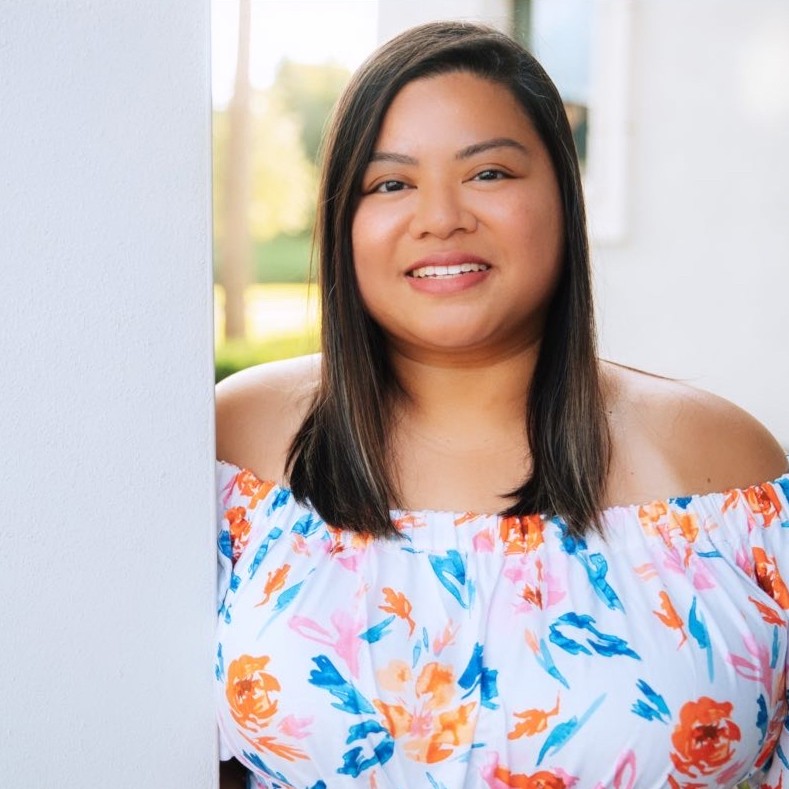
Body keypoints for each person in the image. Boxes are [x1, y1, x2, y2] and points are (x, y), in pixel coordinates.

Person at [214, 20, 789, 789]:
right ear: (341, 219)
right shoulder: (239, 446)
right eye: (389, 184)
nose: (440, 217)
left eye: (487, 173)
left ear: (562, 197)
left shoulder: (721, 469)